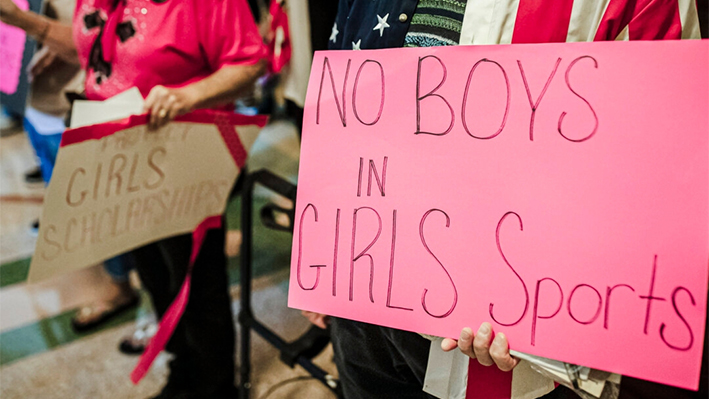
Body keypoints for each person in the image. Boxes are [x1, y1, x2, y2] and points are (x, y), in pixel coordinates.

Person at [304, 1, 703, 398]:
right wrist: (319, 253)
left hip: (503, 339)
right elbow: (346, 80)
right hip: (363, 296)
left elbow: (657, 163)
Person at [0, 1, 267, 398]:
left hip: (186, 153)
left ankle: (214, 386)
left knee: (192, 282)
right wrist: (21, 21)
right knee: (155, 273)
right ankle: (183, 366)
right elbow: (95, 48)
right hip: (122, 157)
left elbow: (249, 63)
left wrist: (188, 94)